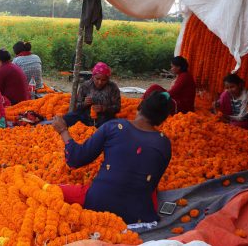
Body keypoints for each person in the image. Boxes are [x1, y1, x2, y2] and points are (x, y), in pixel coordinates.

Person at [52, 91, 172, 224]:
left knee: (50, 191)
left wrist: (63, 131)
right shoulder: (164, 143)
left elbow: (76, 158)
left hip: (98, 204)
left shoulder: (114, 127)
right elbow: (150, 181)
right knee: (150, 191)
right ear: (162, 119)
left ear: (140, 106)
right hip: (138, 214)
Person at [63, 62, 120, 127]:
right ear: (93, 76)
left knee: (113, 126)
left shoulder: (112, 87)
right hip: (85, 116)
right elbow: (77, 106)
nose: (100, 82)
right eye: (97, 79)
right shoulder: (85, 86)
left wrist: (104, 109)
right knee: (68, 118)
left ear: (108, 79)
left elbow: (117, 108)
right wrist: (84, 103)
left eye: (104, 80)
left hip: (105, 117)